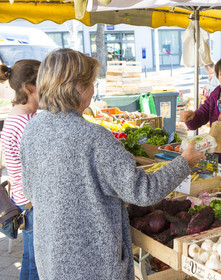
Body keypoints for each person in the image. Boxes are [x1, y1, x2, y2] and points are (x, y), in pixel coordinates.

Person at [19, 49, 205, 280]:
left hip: (50, 256)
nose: (94, 90)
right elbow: (143, 191)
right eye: (92, 83)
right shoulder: (94, 137)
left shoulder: (33, 129)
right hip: (92, 263)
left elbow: (29, 190)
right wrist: (185, 162)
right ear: (78, 87)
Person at [0, 59, 41, 280]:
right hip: (31, 202)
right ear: (29, 87)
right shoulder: (26, 122)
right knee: (37, 263)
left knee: (29, 258)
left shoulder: (18, 116)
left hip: (23, 197)